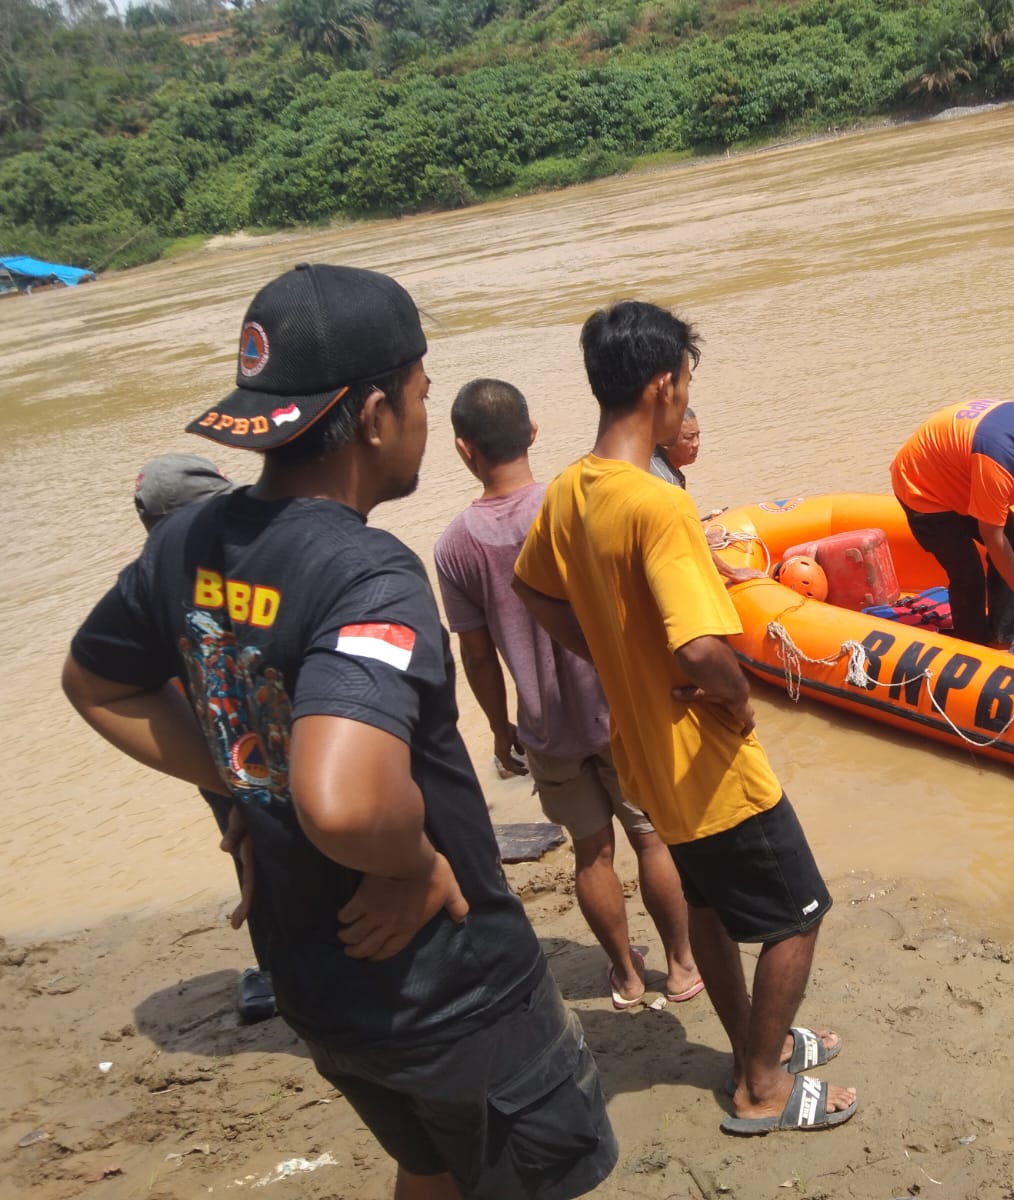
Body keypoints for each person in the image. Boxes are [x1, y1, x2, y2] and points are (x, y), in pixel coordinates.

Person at [63, 264, 617, 1200]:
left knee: (429, 1165)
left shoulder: (183, 544)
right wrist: (408, 861)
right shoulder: (369, 574)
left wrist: (251, 783)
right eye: (418, 394)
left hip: (312, 982)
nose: (421, 417)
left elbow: (97, 683)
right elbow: (350, 800)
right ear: (370, 415)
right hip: (450, 988)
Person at [513, 300, 858, 1136]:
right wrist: (736, 698)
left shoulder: (570, 489)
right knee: (798, 916)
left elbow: (533, 590)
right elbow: (704, 648)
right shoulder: (656, 504)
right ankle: (761, 1088)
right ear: (664, 385)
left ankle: (751, 1047)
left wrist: (613, 652)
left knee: (706, 910)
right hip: (706, 759)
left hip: (644, 757)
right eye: (687, 384)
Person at [435, 378, 702, 1011]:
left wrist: (501, 730)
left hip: (544, 725)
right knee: (652, 839)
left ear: (462, 449)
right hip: (620, 707)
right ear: (532, 433)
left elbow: (475, 652)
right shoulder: (574, 503)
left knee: (591, 853)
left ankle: (627, 976)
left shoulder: (454, 546)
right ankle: (684, 966)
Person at [134, 453, 277, 1024]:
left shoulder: (155, 584)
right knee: (258, 854)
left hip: (225, 750)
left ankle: (278, 971)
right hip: (233, 748)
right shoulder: (168, 587)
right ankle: (283, 969)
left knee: (257, 856)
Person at [890, 395, 1014, 644]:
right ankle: (972, 642)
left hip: (963, 476)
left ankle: (1005, 633)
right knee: (968, 572)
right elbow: (992, 535)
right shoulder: (999, 458)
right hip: (925, 488)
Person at [648, 406, 698, 487]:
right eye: (689, 437)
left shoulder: (644, 457)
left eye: (698, 435)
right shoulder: (666, 483)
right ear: (665, 441)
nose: (696, 443)